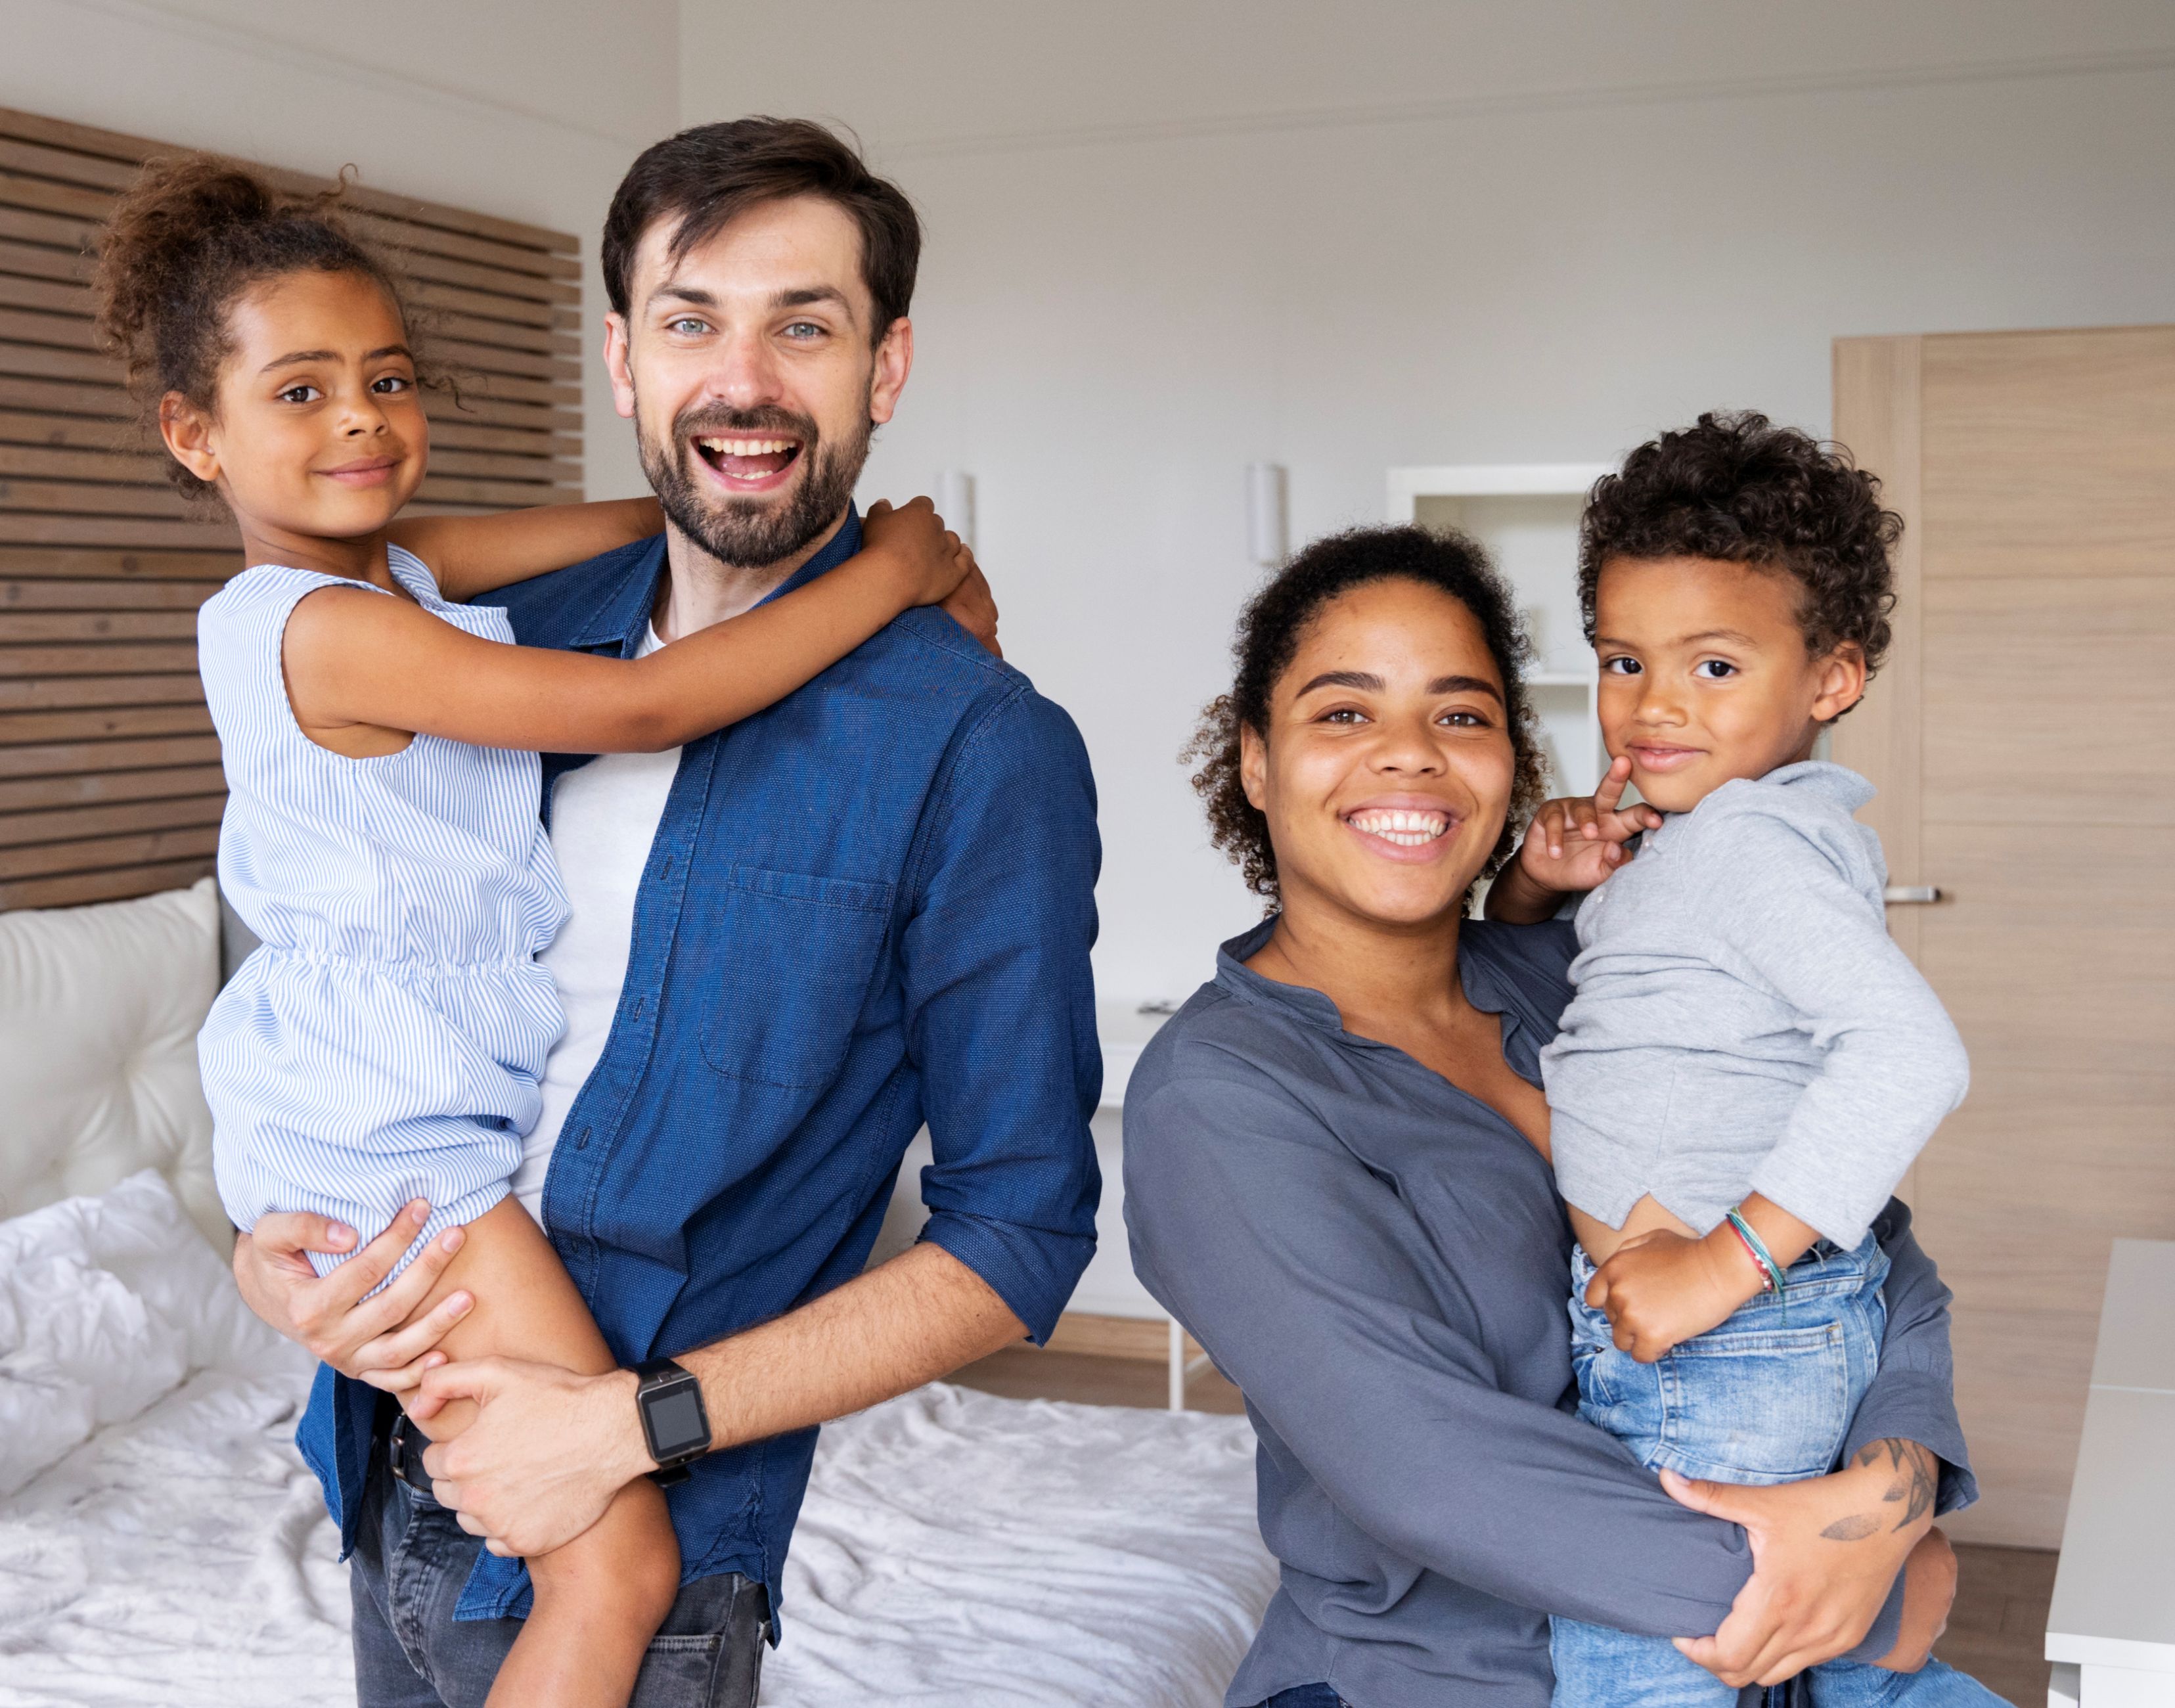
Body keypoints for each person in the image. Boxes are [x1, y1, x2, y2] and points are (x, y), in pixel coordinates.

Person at [223, 119, 1102, 1708]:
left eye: (806, 325)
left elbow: (1016, 1238)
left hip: (652, 1547)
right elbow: (343, 977)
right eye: (694, 321)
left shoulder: (975, 742)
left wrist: (626, 1429)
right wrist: (272, 1261)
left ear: (885, 367)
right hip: (385, 1457)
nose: (745, 379)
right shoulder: (481, 639)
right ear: (623, 359)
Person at [1125, 524, 1975, 1708]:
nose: (1412, 757)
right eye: (1344, 713)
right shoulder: (1217, 1097)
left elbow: (1876, 1248)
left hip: (1765, 1654)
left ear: (1516, 764)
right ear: (1257, 763)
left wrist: (1892, 1498)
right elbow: (1430, 1472)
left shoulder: (1583, 974)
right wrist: (1868, 1598)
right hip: (1454, 1681)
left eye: (1461, 716)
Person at [1484, 414, 1999, 1705]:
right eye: (1622, 658)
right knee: (1776, 1648)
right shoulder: (1702, 840)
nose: (1653, 703)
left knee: (1652, 1667)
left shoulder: (1742, 848)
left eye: (1714, 667)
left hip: (1725, 1344)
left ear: (1831, 678)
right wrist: (1543, 891)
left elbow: (1911, 1054)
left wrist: (1726, 1262)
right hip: (1732, 1336)